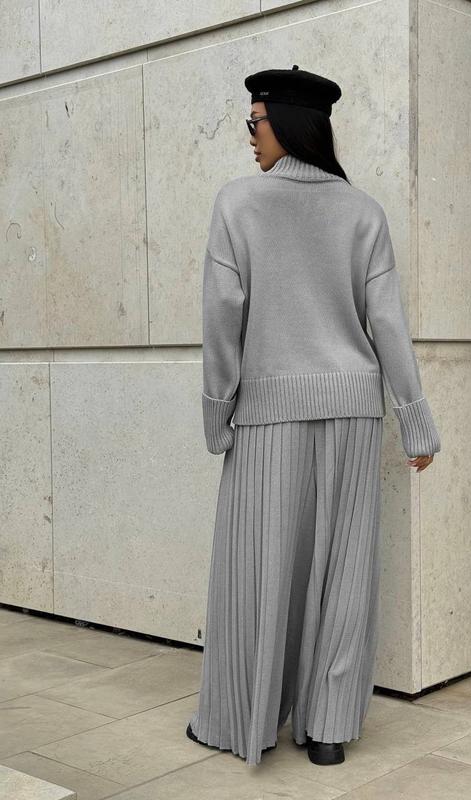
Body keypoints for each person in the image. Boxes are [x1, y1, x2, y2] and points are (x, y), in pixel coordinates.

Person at [186, 65, 441, 767]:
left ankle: (240, 722)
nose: (250, 137)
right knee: (344, 573)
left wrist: (218, 413)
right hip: (354, 414)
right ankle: (327, 731)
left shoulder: (238, 204)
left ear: (288, 125)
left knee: (254, 574)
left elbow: (221, 318)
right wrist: (415, 420)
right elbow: (387, 325)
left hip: (267, 414)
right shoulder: (363, 212)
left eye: (255, 122)